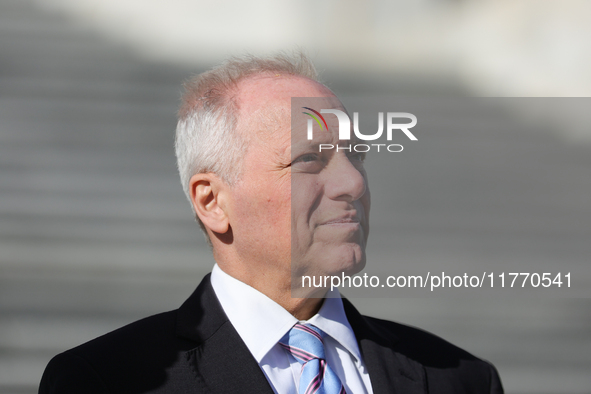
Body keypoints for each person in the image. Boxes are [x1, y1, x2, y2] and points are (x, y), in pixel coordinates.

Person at [39, 53, 504, 394]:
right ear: (212, 201)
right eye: (308, 160)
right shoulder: (106, 381)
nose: (353, 184)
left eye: (356, 156)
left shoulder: (459, 378)